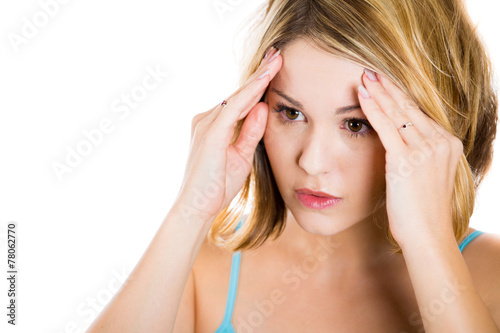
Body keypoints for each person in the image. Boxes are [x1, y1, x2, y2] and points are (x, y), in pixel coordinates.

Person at [87, 0, 500, 331]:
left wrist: (429, 244)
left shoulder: (490, 275)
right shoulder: (201, 271)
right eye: (290, 113)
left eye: (356, 124)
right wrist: (190, 212)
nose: (312, 161)